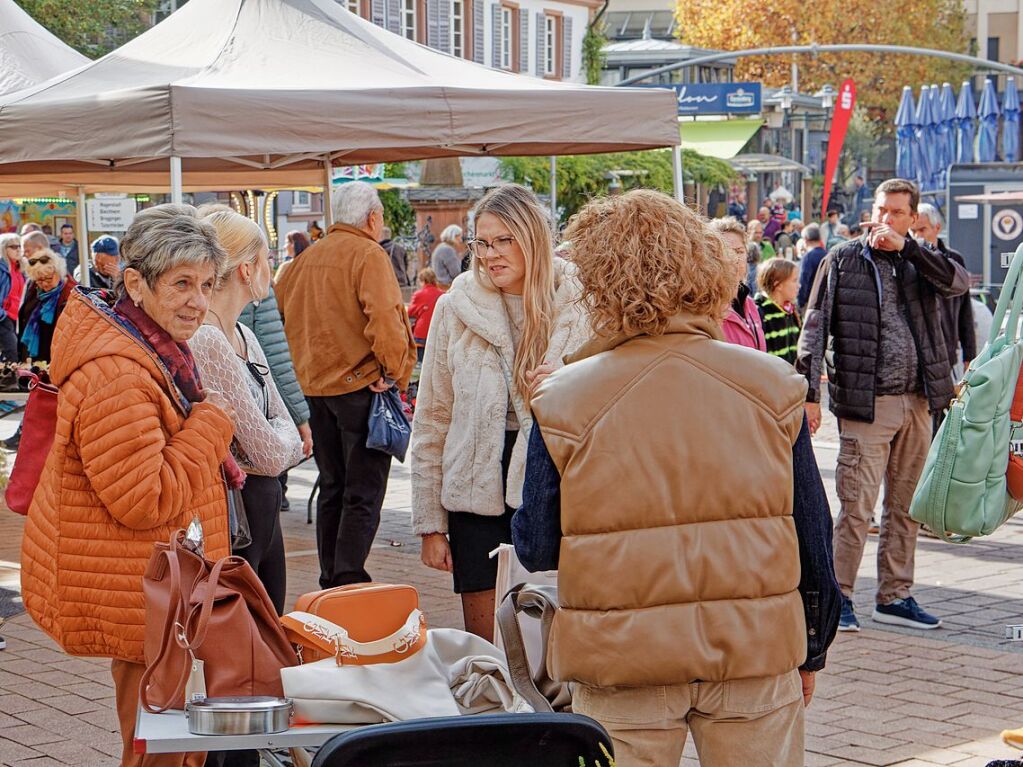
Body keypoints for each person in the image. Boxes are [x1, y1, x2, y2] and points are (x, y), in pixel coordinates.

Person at [512, 189, 841, 767]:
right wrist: (810, 648)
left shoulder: (563, 399)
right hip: (753, 649)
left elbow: (537, 544)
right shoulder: (773, 385)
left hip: (620, 660)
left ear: (598, 283)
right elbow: (813, 532)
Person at [20, 204, 236, 767]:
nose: (198, 300)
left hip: (152, 583)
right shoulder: (120, 372)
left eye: (207, 284)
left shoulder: (146, 346)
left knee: (164, 740)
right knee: (159, 749)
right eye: (182, 283)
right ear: (136, 282)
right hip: (144, 586)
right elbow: (146, 497)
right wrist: (212, 424)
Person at [411, 183, 588, 641]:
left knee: (553, 635)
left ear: (532, 237)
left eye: (503, 240)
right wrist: (431, 525)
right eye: (482, 242)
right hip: (475, 487)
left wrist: (566, 382)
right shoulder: (456, 306)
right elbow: (432, 417)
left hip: (555, 483)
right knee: (486, 644)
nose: (490, 254)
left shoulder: (581, 303)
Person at [797, 178, 969, 633]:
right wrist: (810, 394)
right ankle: (842, 596)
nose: (886, 220)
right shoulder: (844, 259)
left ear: (914, 219)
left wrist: (909, 250)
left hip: (919, 400)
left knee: (907, 505)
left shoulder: (926, 262)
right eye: (881, 210)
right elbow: (814, 327)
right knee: (856, 505)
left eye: (897, 212)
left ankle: (895, 595)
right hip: (866, 402)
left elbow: (957, 284)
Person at [276, 181, 416, 588]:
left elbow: (279, 317)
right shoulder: (368, 254)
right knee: (364, 491)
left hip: (314, 391)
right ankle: (348, 576)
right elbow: (387, 321)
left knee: (334, 487)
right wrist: (394, 373)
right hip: (359, 389)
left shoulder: (302, 260)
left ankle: (332, 577)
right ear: (372, 218)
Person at [238, 280, 313, 514]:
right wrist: (301, 419)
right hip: (256, 429)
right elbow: (276, 361)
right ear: (248, 268)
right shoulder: (256, 291)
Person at [913, 203, 976, 381]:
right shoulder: (906, 258)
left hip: (946, 349)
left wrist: (969, 354)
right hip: (916, 351)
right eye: (913, 231)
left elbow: (965, 310)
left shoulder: (954, 260)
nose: (917, 236)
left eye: (922, 230)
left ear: (937, 228)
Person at [710, 218, 766, 352]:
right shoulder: (708, 309)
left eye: (739, 251)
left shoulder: (750, 305)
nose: (735, 259)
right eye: (726, 251)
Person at [755, 258, 802, 365]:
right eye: (794, 280)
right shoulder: (761, 313)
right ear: (778, 285)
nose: (799, 285)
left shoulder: (791, 311)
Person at [407, 267, 443, 361]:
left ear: (423, 280)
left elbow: (410, 312)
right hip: (437, 333)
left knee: (420, 362)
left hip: (421, 332)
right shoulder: (442, 295)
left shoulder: (419, 295)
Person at [0, 234, 26, 361]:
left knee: (16, 354)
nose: (18, 249)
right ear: (4, 249)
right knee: (12, 353)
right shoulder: (1, 268)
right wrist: (2, 315)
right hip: (4, 318)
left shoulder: (20, 267)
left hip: (17, 318)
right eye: (13, 246)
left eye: (19, 246)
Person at [797, 224, 827, 313]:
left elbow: (803, 280)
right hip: (826, 300)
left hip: (811, 302)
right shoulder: (828, 254)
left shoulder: (808, 257)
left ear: (805, 239)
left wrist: (800, 302)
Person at [745, 219, 775, 290]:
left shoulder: (768, 246)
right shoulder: (743, 247)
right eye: (756, 233)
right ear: (749, 232)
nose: (758, 235)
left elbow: (774, 263)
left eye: (760, 233)